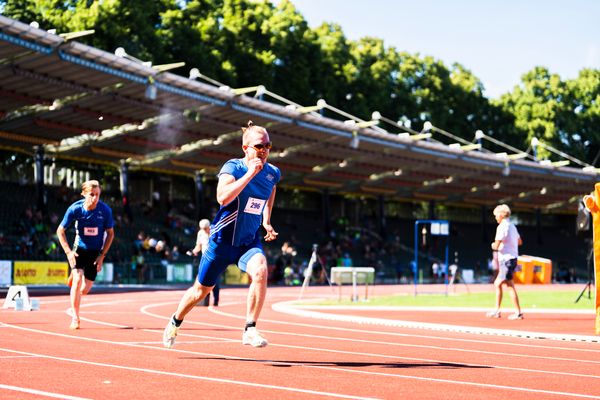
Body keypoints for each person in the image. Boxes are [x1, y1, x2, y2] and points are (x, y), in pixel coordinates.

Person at [163, 120, 280, 348]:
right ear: (245, 148)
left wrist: (266, 221)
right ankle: (175, 321)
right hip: (221, 242)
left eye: (268, 145)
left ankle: (250, 328)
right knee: (200, 291)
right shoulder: (233, 168)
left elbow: (271, 190)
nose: (264, 150)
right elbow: (222, 197)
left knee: (261, 270)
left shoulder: (272, 173)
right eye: (259, 146)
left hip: (248, 242)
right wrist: (249, 175)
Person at [57, 180, 114, 330]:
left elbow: (110, 233)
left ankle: (75, 276)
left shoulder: (105, 210)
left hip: (95, 253)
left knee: (85, 290)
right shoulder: (75, 209)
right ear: (84, 194)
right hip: (79, 250)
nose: (95, 199)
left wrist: (102, 256)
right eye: (92, 195)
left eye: (98, 195)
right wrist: (68, 252)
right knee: (77, 281)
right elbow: (60, 231)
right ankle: (75, 318)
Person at [486, 204, 523, 320]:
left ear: (502, 214)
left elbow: (496, 245)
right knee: (507, 284)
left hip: (506, 259)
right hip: (511, 258)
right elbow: (520, 242)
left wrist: (494, 245)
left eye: (496, 215)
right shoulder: (512, 226)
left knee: (501, 284)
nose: (496, 217)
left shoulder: (502, 227)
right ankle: (503, 310)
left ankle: (509, 312)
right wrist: (508, 244)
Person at [192, 218, 219, 306]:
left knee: (214, 280)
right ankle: (204, 299)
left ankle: (216, 300)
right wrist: (195, 251)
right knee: (203, 278)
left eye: (205, 228)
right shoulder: (200, 233)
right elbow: (198, 245)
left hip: (215, 258)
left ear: (209, 227)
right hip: (204, 258)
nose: (204, 230)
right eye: (202, 229)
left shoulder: (215, 231)